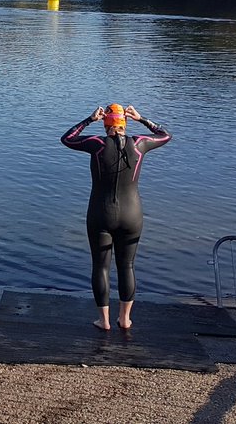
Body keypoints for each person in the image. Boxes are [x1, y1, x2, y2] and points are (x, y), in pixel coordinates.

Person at [61, 103, 171, 331]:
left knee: (101, 267)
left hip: (100, 213)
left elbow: (67, 138)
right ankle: (125, 319)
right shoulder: (139, 143)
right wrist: (142, 119)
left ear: (105, 124)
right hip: (132, 215)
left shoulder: (97, 144)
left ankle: (104, 321)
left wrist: (88, 120)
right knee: (127, 266)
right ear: (125, 123)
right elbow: (165, 135)